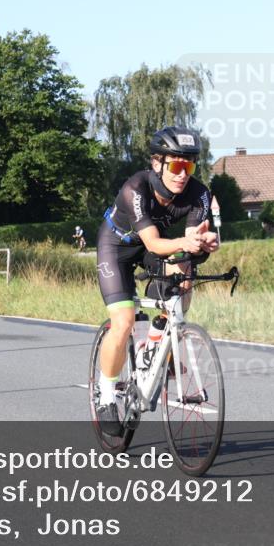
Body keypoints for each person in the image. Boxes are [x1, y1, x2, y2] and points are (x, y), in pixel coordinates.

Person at [95, 126, 219, 435]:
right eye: (176, 165)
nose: (182, 174)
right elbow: (152, 244)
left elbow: (192, 238)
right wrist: (184, 245)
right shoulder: (135, 188)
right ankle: (107, 395)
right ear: (157, 163)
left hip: (158, 246)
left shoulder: (200, 194)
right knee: (123, 322)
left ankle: (157, 343)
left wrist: (203, 243)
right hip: (118, 247)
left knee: (184, 280)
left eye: (189, 166)